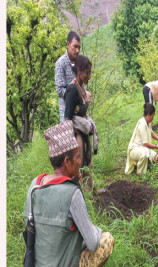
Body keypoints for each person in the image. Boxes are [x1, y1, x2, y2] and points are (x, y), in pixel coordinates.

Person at [23, 120, 114, 267]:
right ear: (67, 161)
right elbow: (93, 242)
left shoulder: (35, 185)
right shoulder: (72, 193)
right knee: (106, 241)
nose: (81, 162)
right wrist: (94, 229)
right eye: (78, 157)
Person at [64, 54, 99, 192]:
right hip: (76, 135)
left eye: (90, 73)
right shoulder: (72, 89)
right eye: (87, 73)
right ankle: (80, 198)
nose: (89, 76)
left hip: (83, 134)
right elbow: (67, 118)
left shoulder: (81, 87)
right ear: (78, 70)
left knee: (88, 164)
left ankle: (91, 192)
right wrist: (69, 142)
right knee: (78, 167)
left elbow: (81, 108)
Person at [56, 30, 92, 122]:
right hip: (67, 115)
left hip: (79, 114)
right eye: (75, 46)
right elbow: (60, 90)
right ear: (68, 44)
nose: (77, 50)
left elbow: (79, 84)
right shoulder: (61, 63)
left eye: (79, 47)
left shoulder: (78, 61)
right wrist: (75, 96)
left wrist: (84, 93)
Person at [125, 103, 158, 175]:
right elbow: (146, 144)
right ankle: (140, 172)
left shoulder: (148, 122)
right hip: (135, 150)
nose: (153, 118)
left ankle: (139, 163)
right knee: (144, 154)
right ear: (149, 115)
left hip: (143, 148)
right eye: (152, 117)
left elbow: (151, 132)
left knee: (155, 158)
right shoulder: (142, 124)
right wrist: (157, 147)